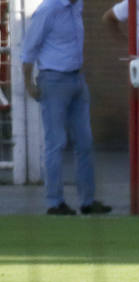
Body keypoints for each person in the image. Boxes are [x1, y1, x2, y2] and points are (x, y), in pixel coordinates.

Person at [20, 0, 112, 216]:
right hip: (53, 80)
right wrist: (29, 85)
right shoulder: (48, 10)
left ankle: (87, 201)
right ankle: (54, 202)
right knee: (56, 143)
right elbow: (29, 49)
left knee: (85, 142)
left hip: (77, 78)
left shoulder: (76, 5)